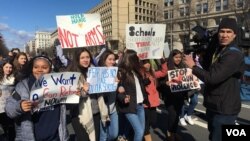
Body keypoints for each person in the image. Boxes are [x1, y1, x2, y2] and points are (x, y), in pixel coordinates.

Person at [184, 18, 245, 141]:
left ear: (234, 35)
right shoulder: (220, 49)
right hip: (214, 105)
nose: (225, 35)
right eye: (222, 31)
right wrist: (204, 54)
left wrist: (193, 67)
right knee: (213, 136)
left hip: (225, 109)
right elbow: (209, 68)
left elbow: (212, 78)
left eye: (229, 32)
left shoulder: (233, 54)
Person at [5, 55, 69, 141]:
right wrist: (20, 106)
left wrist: (80, 92)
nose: (40, 70)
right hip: (30, 138)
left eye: (44, 67)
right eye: (36, 67)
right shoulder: (22, 86)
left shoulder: (60, 84)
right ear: (32, 68)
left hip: (56, 137)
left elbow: (68, 106)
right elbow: (9, 109)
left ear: (50, 69)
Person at [67, 48, 109, 141]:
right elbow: (69, 100)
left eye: (88, 57)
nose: (86, 60)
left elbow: (103, 92)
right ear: (77, 59)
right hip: (80, 115)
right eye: (82, 58)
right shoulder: (71, 75)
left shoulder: (96, 71)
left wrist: (110, 83)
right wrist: (83, 92)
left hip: (96, 112)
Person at [116, 49, 149, 141]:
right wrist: (123, 98)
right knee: (139, 131)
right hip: (129, 106)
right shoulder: (121, 72)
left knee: (141, 131)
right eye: (136, 57)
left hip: (139, 105)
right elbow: (118, 90)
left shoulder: (136, 71)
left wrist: (146, 73)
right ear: (131, 59)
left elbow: (141, 86)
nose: (138, 59)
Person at [163, 49, 187, 141]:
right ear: (171, 57)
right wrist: (166, 83)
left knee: (177, 115)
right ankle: (169, 133)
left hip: (180, 96)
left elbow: (187, 79)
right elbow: (159, 81)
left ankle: (174, 132)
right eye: (176, 57)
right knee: (172, 115)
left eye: (180, 57)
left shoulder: (183, 67)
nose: (178, 59)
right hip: (169, 96)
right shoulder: (167, 67)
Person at [141, 59, 167, 141]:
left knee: (153, 120)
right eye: (145, 63)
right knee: (146, 121)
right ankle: (146, 135)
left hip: (154, 101)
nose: (147, 64)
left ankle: (144, 132)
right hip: (145, 102)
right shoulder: (139, 74)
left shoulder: (153, 73)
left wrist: (162, 62)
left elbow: (163, 72)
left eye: (148, 62)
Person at [98, 49, 119, 141]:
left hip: (113, 108)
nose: (112, 62)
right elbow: (100, 90)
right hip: (103, 109)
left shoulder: (116, 72)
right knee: (103, 135)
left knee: (114, 134)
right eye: (110, 59)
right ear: (104, 60)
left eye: (113, 60)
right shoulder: (97, 72)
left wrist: (119, 85)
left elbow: (117, 90)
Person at [0, 60, 15, 141]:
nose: (8, 69)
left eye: (10, 67)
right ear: (2, 68)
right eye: (6, 67)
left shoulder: (14, 78)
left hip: (10, 108)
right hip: (0, 109)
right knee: (2, 131)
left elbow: (16, 93)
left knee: (11, 129)